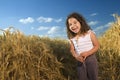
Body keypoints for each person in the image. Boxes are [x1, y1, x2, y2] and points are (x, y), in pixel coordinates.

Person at [66, 12, 99, 80]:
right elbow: (72, 50)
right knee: (82, 77)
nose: (73, 25)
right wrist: (76, 56)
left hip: (91, 59)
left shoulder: (89, 33)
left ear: (81, 22)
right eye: (70, 24)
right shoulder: (72, 38)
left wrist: (88, 53)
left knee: (93, 77)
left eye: (75, 22)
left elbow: (97, 45)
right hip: (80, 61)